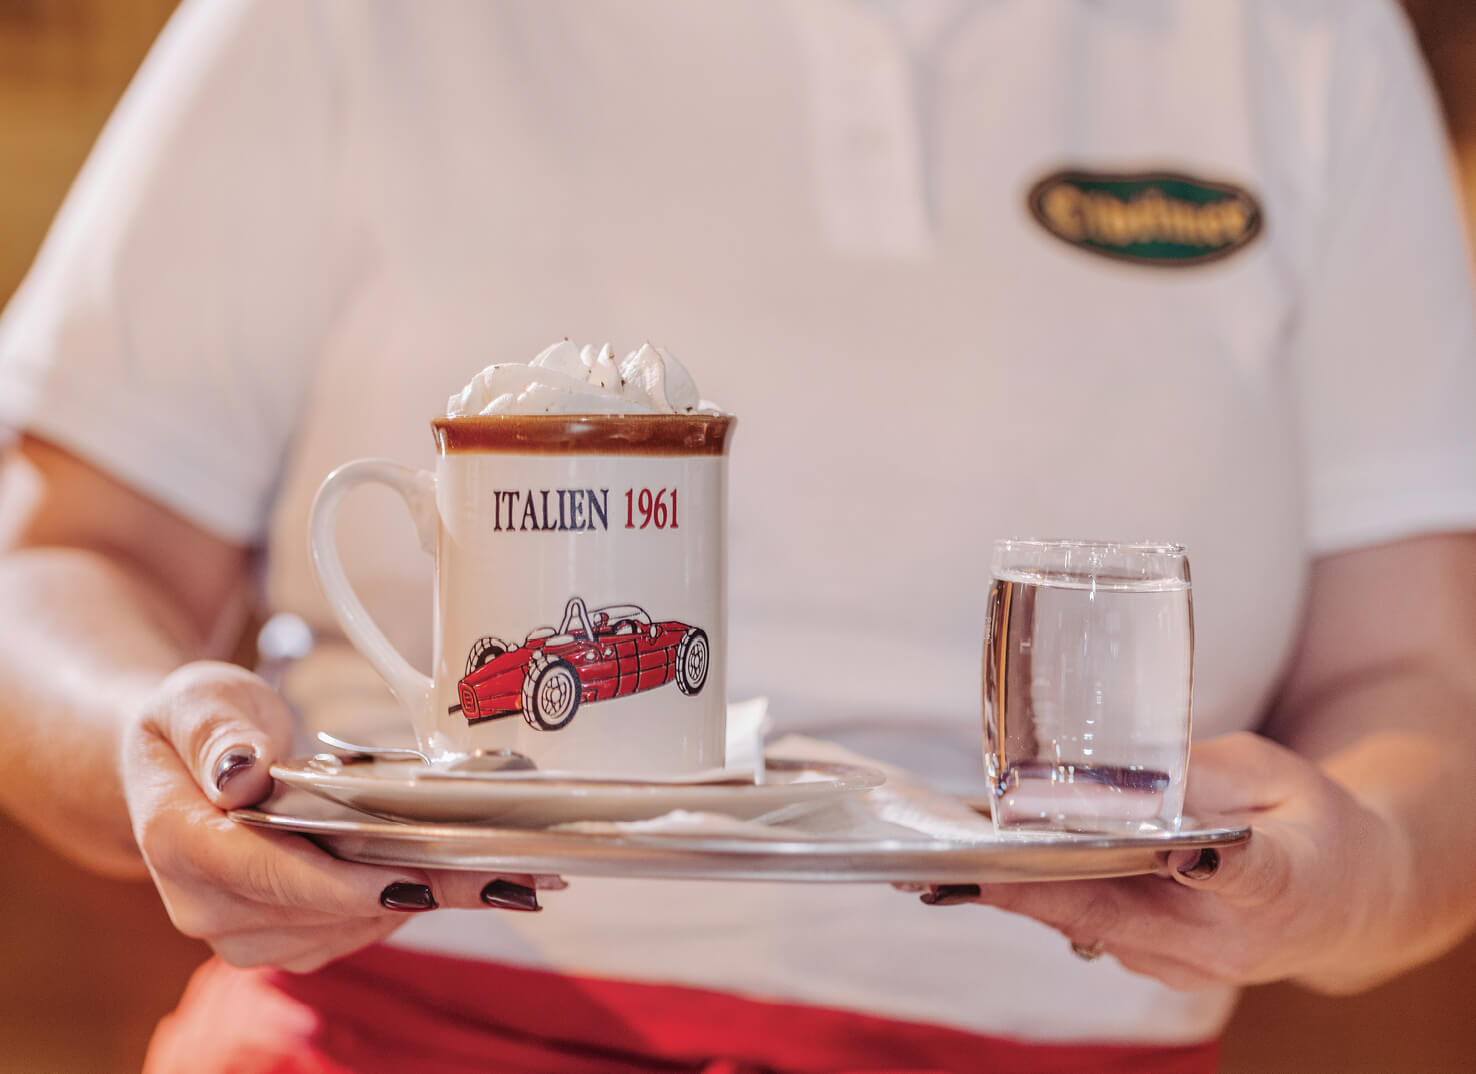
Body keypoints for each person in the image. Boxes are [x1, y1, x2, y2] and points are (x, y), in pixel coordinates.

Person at [2, 1, 1475, 1070]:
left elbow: (1427, 680)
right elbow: (59, 559)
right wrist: (159, 744)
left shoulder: (1309, 41)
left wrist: (1374, 865)